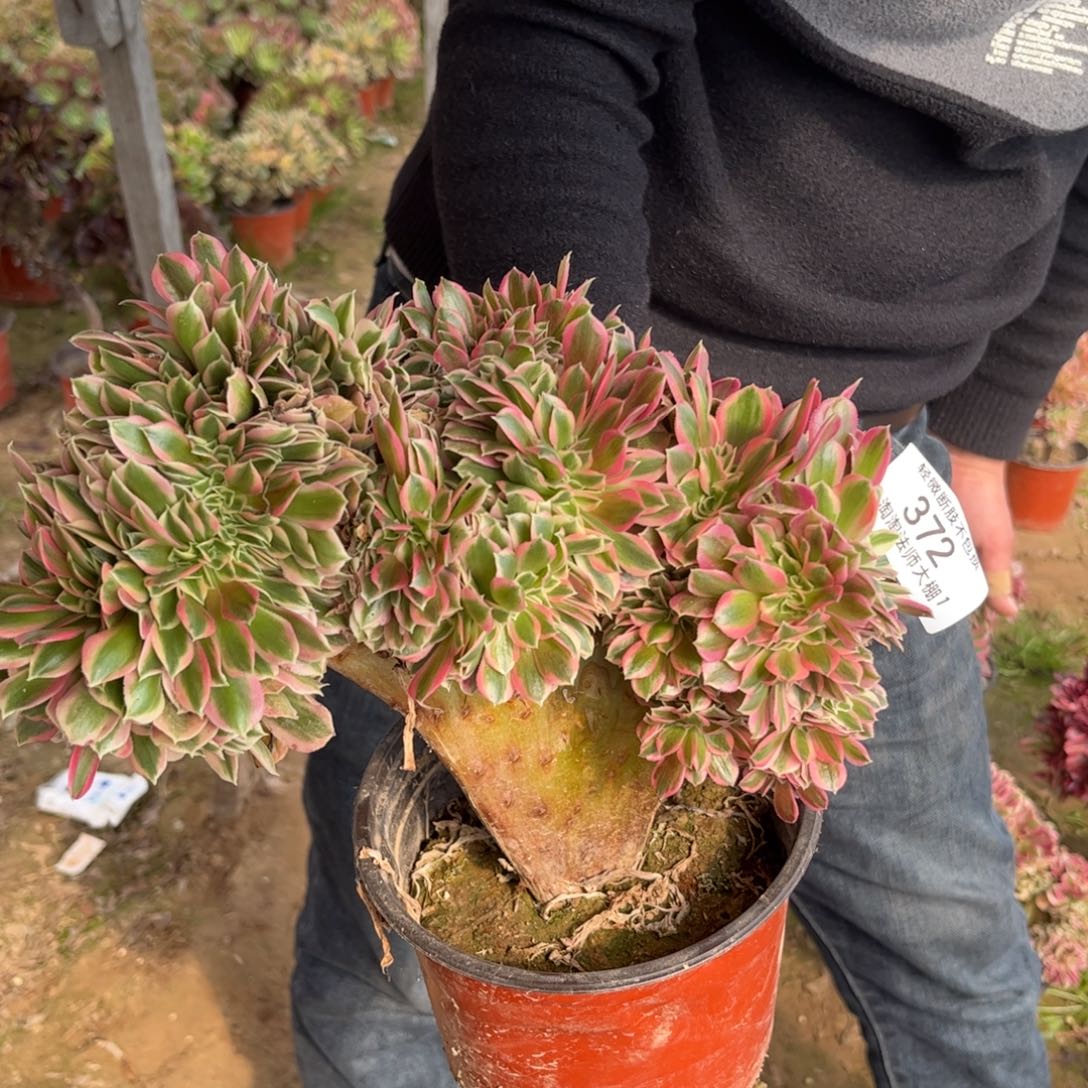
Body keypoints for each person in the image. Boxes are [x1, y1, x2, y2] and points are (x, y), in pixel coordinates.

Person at [292, 3, 1085, 1084]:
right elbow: (547, 27)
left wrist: (988, 429)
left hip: (851, 463)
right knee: (387, 925)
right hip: (525, 397)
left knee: (947, 932)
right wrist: (577, 456)